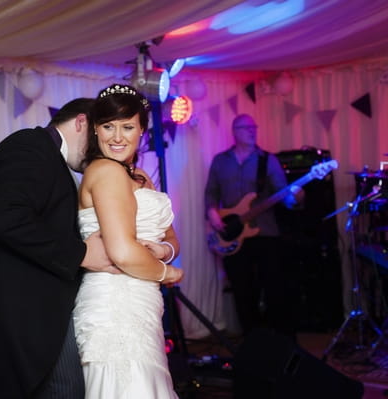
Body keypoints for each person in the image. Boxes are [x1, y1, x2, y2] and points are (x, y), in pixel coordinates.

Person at [0, 98, 118, 399]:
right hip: (18, 318)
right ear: (81, 122)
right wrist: (82, 254)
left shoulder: (48, 158)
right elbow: (7, 218)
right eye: (97, 141)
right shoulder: (28, 145)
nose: (96, 155)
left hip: (39, 316)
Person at [73, 84, 184, 399]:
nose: (117, 137)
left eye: (127, 127)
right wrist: (167, 273)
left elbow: (171, 237)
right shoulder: (106, 171)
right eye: (108, 127)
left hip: (141, 297)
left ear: (142, 130)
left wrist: (164, 250)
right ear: (95, 130)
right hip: (115, 300)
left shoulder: (140, 177)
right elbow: (121, 252)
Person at [204, 113, 303, 338]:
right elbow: (211, 192)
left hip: (265, 232)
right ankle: (252, 340)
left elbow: (282, 193)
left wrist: (294, 197)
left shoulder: (268, 160)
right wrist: (212, 213)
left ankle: (280, 340)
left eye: (254, 127)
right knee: (242, 290)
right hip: (232, 234)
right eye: (246, 128)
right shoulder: (221, 161)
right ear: (235, 131)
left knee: (273, 288)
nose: (252, 131)